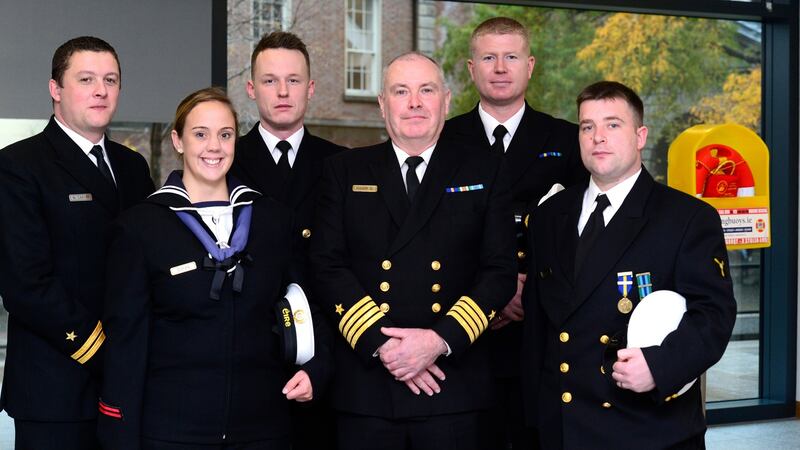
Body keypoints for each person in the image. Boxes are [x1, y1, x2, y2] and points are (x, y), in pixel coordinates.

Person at [97, 87, 330, 450]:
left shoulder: (273, 220)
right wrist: (120, 433)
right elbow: (126, 343)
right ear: (178, 140)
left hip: (263, 426)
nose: (214, 147)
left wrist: (318, 369)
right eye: (200, 134)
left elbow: (312, 304)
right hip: (172, 431)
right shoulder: (140, 228)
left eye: (225, 135)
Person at [311, 52, 516, 450]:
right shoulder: (344, 171)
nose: (415, 102)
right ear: (382, 104)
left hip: (452, 386)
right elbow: (326, 266)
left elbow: (499, 271)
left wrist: (437, 342)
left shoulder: (484, 171)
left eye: (427, 90)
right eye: (401, 91)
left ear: (447, 99)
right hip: (367, 388)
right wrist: (385, 346)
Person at [521, 81, 737, 449]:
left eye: (612, 125)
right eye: (587, 127)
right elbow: (537, 332)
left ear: (640, 136)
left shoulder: (687, 218)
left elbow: (713, 314)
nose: (597, 137)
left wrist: (659, 365)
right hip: (562, 428)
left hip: (646, 429)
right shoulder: (548, 216)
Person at [0, 36, 154, 450]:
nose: (101, 90)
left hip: (128, 384)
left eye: (110, 79)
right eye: (86, 79)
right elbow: (25, 283)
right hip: (56, 388)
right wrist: (109, 351)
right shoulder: (19, 166)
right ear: (56, 90)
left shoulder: (133, 167)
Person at [443, 18, 587, 448]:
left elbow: (583, 230)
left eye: (511, 57)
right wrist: (492, 290)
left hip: (540, 328)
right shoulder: (442, 140)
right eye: (489, 57)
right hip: (463, 325)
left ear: (530, 66)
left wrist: (530, 288)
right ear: (471, 68)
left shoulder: (567, 138)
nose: (500, 67)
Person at [229, 30, 345, 450]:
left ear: (310, 88)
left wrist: (324, 361)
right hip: (247, 356)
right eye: (270, 80)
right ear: (250, 88)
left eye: (294, 80)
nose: (282, 91)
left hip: (327, 355)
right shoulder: (224, 161)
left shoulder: (342, 164)